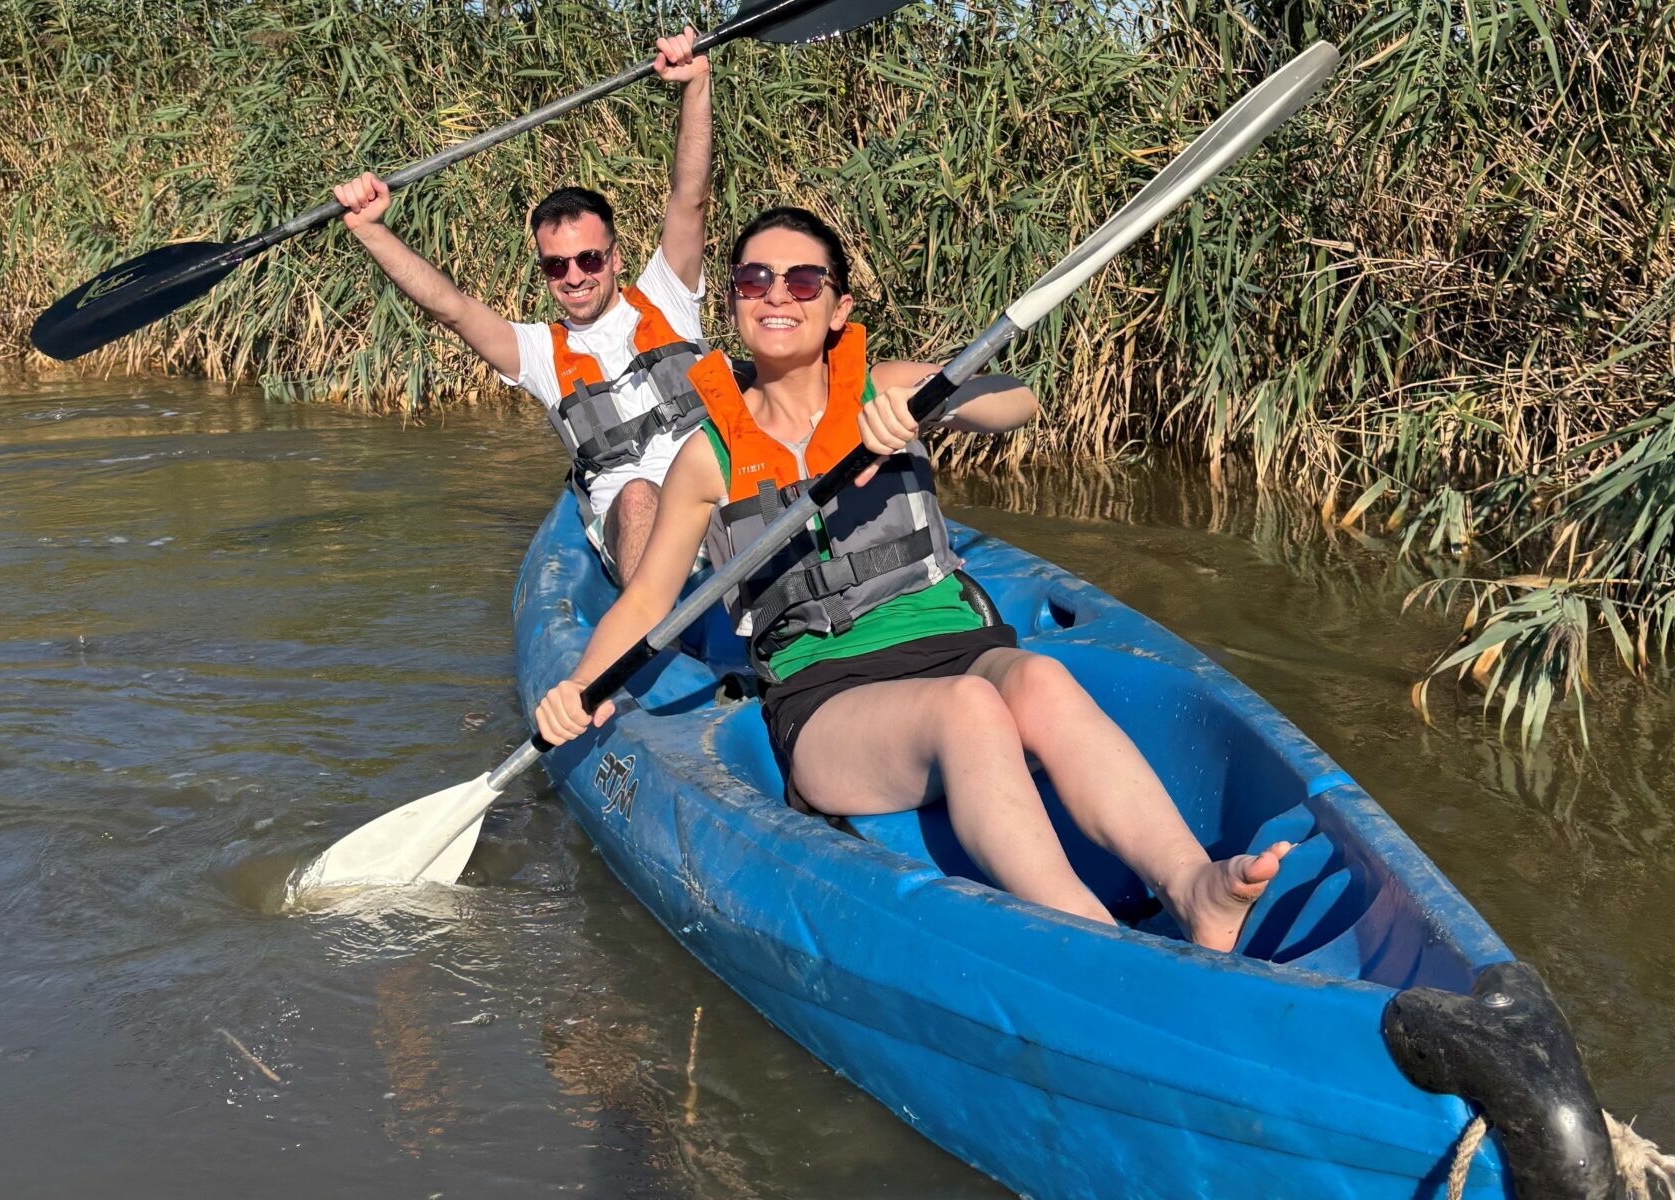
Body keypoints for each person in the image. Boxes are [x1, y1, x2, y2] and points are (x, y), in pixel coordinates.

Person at [532, 207, 1293, 953]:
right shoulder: (708, 456)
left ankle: (1192, 886)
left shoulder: (887, 387)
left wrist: (930, 405)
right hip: (826, 691)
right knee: (969, 709)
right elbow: (649, 599)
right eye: (753, 278)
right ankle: (1088, 933)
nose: (774, 294)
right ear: (732, 300)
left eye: (801, 280)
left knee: (1042, 682)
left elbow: (1017, 401)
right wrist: (580, 688)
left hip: (956, 641)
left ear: (838, 308)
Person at [333, 25, 714, 582]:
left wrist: (696, 84)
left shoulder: (666, 296)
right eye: (555, 265)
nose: (575, 277)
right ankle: (653, 646)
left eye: (588, 259)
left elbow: (691, 197)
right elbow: (452, 308)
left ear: (614, 257)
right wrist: (371, 231)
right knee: (634, 496)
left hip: (719, 496)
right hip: (644, 526)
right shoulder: (538, 351)